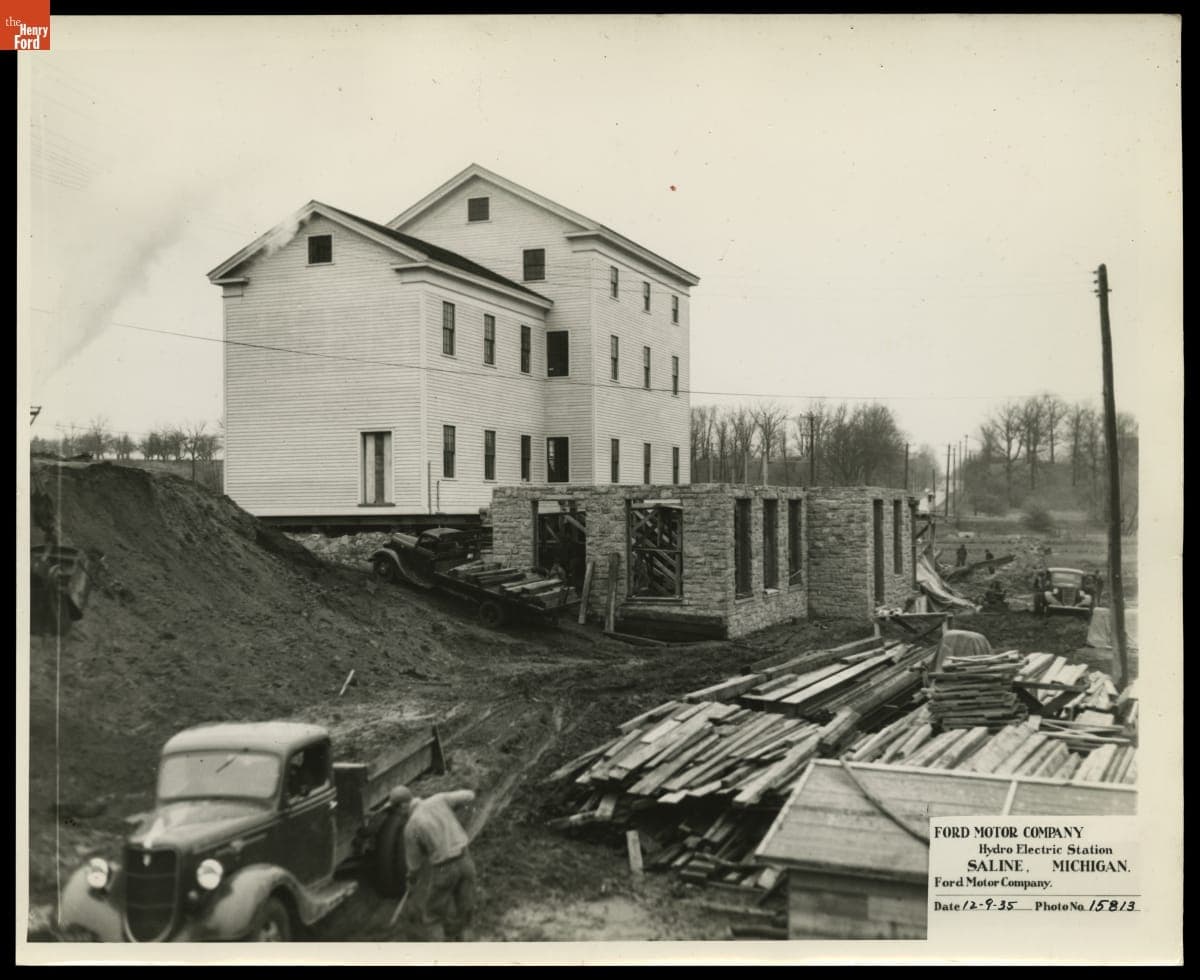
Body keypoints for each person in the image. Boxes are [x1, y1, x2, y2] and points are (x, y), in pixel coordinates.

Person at [389, 784, 477, 941]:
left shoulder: (411, 827)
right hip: (466, 861)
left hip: (445, 869)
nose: (399, 814)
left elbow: (414, 865)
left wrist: (411, 881)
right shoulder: (439, 800)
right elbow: (470, 795)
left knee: (432, 917)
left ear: (403, 805)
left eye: (397, 810)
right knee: (465, 913)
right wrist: (452, 812)